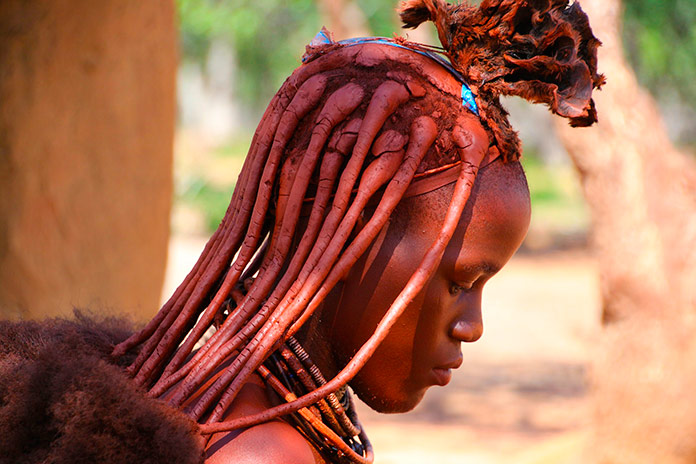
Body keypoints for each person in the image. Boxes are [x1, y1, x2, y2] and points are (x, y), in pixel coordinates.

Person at [0, 1, 603, 463]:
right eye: (459, 281)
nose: (471, 325)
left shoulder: (232, 400)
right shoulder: (264, 452)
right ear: (350, 244)